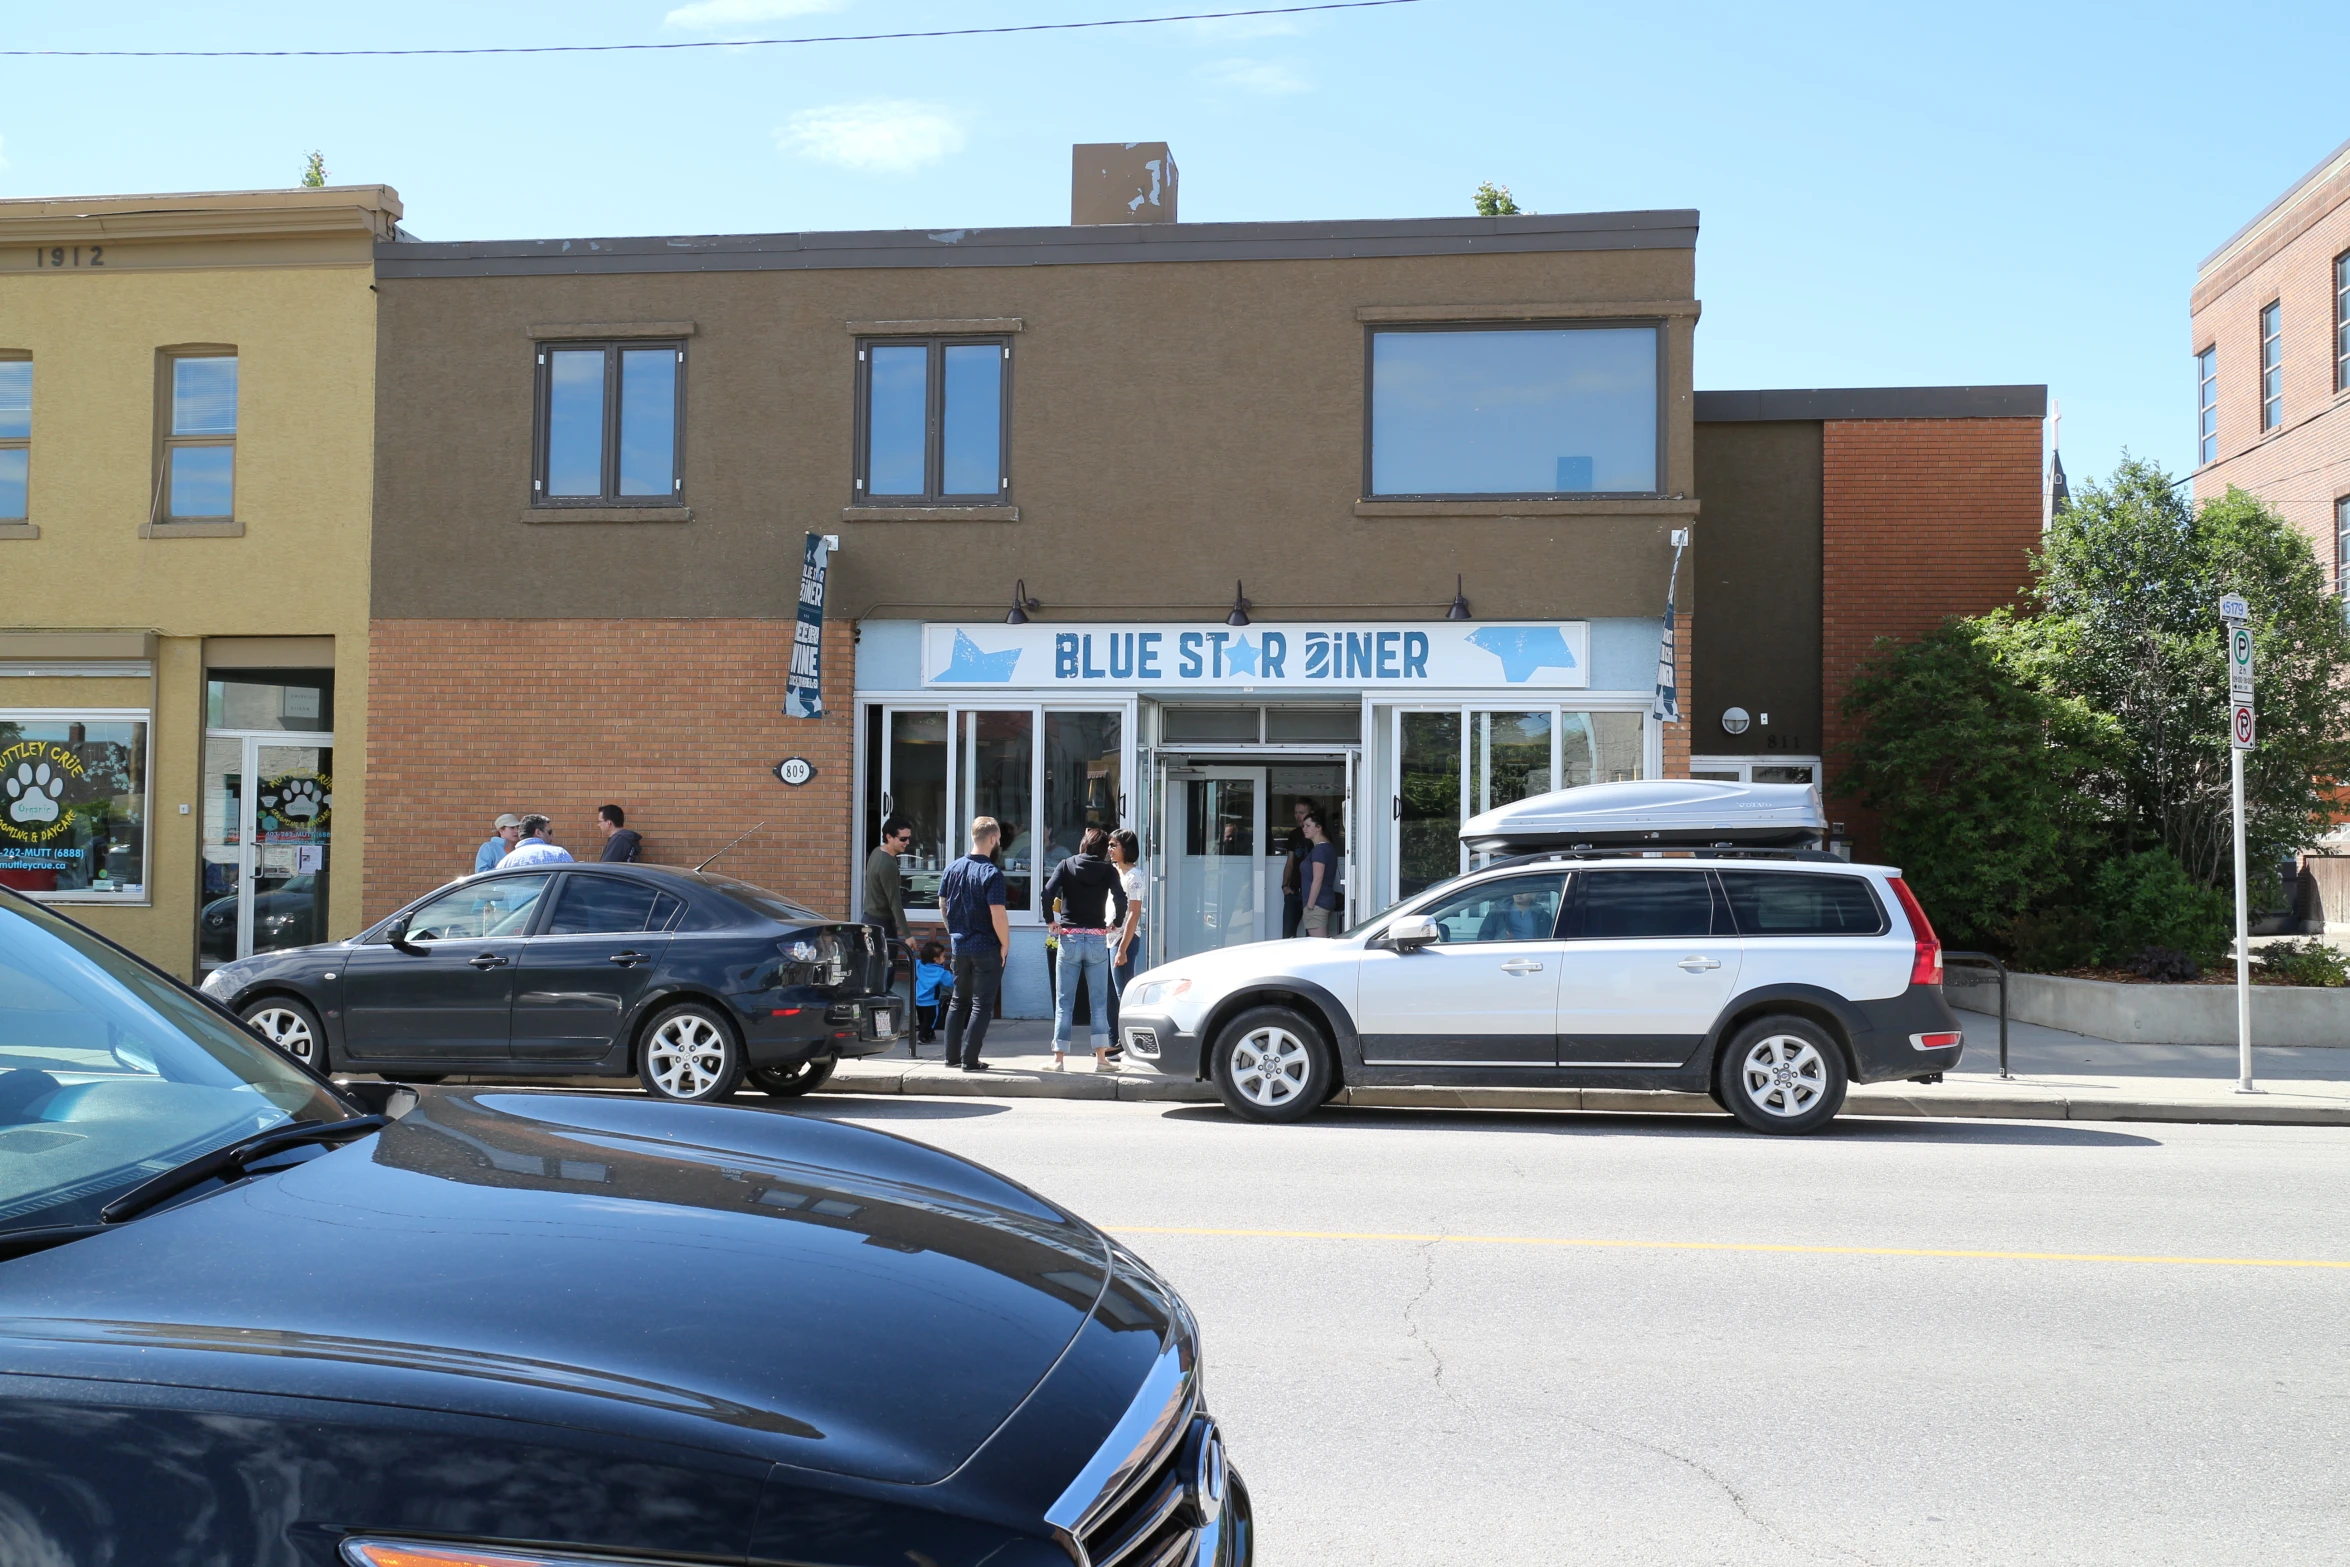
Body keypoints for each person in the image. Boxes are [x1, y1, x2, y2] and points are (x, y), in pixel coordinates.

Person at [1041, 826, 1128, 1073]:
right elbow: (1121, 898)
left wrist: (1051, 920)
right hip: (1097, 939)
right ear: (1102, 849)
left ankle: (1058, 1059)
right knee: (1098, 1002)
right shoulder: (1107, 870)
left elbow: (1047, 892)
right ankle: (1101, 1059)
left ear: (1084, 844)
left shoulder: (1067, 864)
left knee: (1064, 1001)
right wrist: (1116, 923)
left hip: (1068, 938)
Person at [938, 817, 1010, 1073]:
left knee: (959, 1001)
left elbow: (943, 905)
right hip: (986, 946)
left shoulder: (952, 868)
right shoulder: (992, 873)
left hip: (960, 947)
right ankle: (970, 1059)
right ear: (992, 839)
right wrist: (1005, 944)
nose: (999, 842)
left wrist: (952, 932)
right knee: (981, 1005)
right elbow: (997, 914)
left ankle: (951, 1057)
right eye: (999, 838)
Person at [1106, 828, 1145, 1038]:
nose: (1109, 849)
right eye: (1109, 845)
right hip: (1109, 938)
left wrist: (1122, 949)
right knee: (1110, 995)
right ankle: (1114, 1041)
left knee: (1124, 994)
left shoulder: (1134, 876)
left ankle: (1133, 1041)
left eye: (1114, 845)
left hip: (1124, 939)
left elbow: (1134, 913)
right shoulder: (1112, 871)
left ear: (1126, 848)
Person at [863, 817, 912, 946]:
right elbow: (895, 902)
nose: (907, 842)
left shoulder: (877, 851)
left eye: (908, 838)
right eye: (903, 839)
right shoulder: (887, 863)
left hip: (870, 919)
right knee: (886, 963)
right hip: (881, 923)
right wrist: (908, 935)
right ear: (889, 837)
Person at [1299, 808, 1339, 935]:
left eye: (1308, 826)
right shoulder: (1328, 847)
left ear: (1318, 828)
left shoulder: (1320, 850)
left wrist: (1310, 906)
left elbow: (1318, 879)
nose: (1304, 828)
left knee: (1318, 947)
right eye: (1303, 826)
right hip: (1324, 901)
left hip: (1317, 904)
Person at [1279, 799, 1313, 940]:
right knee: (1287, 936)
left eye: (1301, 812)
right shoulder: (1294, 834)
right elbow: (1290, 862)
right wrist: (1285, 886)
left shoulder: (1319, 834)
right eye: (1296, 813)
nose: (1298, 816)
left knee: (1312, 938)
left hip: (1312, 893)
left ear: (1311, 814)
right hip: (1294, 891)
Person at [912, 940, 953, 1048]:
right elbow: (950, 982)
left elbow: (910, 960)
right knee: (931, 1020)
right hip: (931, 1001)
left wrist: (910, 950)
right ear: (935, 959)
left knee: (922, 1020)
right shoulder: (940, 972)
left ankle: (929, 1034)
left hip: (918, 1000)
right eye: (943, 956)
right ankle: (923, 1037)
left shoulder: (919, 965)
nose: (944, 958)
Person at [496, 815, 573, 868]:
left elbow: (498, 889)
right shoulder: (559, 854)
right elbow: (574, 882)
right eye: (549, 832)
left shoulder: (505, 862)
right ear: (538, 833)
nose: (551, 837)